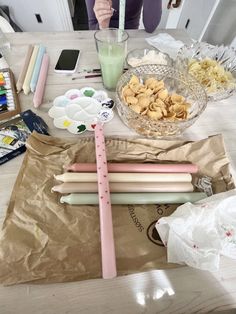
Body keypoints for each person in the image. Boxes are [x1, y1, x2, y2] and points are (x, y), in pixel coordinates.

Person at [85, 0, 162, 33]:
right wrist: (103, 25)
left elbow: (150, 26)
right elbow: (92, 26)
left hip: (130, 38)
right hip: (104, 40)